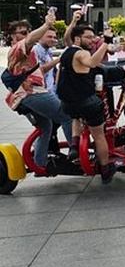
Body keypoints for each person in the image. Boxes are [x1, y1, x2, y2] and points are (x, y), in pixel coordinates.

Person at [5, 14, 74, 167]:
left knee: (46, 126)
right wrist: (46, 24)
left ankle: (40, 163)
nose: (27, 35)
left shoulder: (30, 52)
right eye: (23, 32)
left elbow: (39, 72)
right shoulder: (18, 48)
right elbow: (30, 41)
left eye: (28, 32)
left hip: (29, 94)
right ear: (12, 36)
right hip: (33, 94)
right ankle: (76, 152)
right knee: (68, 116)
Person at [57, 24, 116, 183]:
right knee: (99, 135)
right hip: (87, 102)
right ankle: (105, 170)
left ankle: (74, 147)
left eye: (93, 37)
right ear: (77, 38)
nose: (92, 41)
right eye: (88, 37)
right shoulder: (81, 53)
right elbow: (91, 62)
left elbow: (58, 78)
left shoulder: (66, 54)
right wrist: (106, 42)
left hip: (68, 103)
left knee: (76, 117)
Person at [32, 26, 60, 94]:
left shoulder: (49, 51)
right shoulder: (35, 50)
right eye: (49, 37)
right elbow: (40, 70)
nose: (53, 39)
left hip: (51, 90)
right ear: (40, 37)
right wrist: (59, 59)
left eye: (54, 37)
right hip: (40, 92)